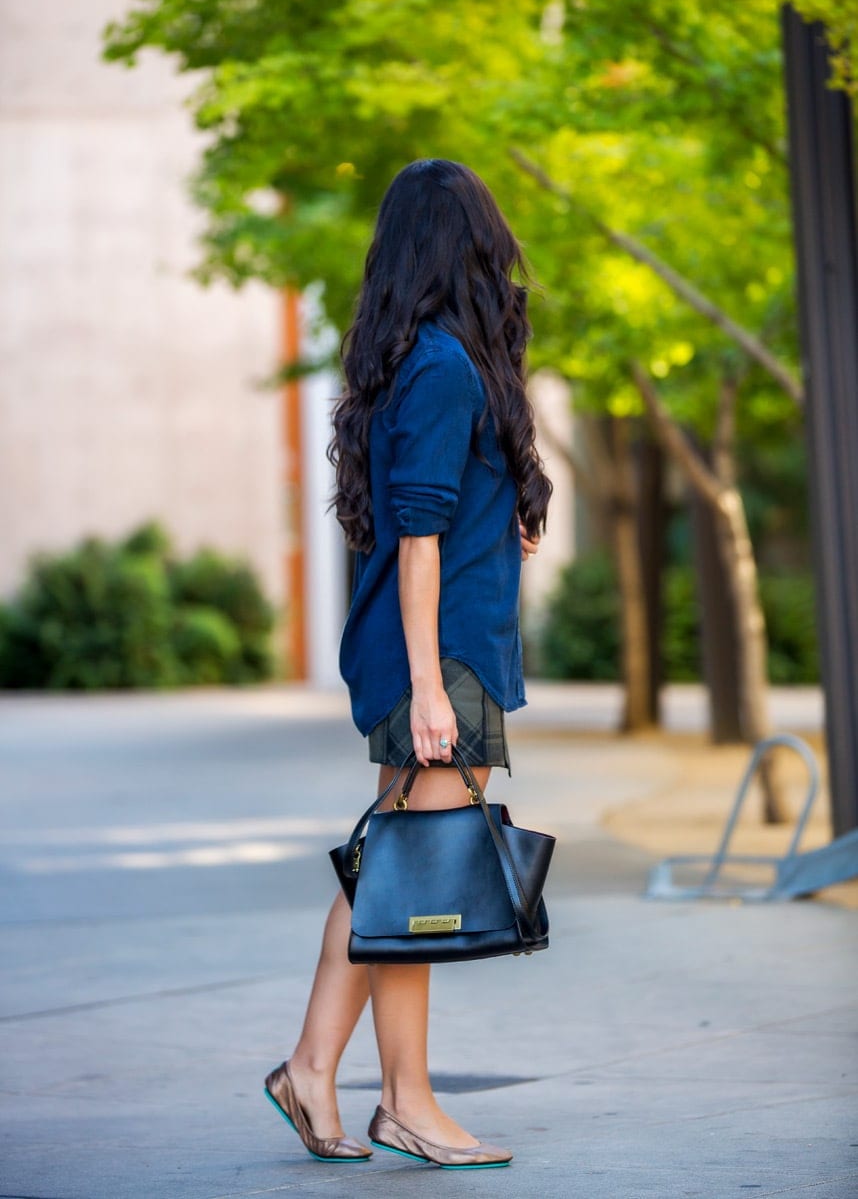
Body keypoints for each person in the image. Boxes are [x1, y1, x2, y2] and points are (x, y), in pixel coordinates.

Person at [264, 158, 552, 1169]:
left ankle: (323, 1072)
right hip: (439, 661)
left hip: (438, 652)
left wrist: (508, 514)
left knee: (395, 869)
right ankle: (399, 1098)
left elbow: (442, 516)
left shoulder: (428, 361)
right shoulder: (440, 366)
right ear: (471, 245)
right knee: (408, 878)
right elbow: (419, 541)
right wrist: (432, 687)